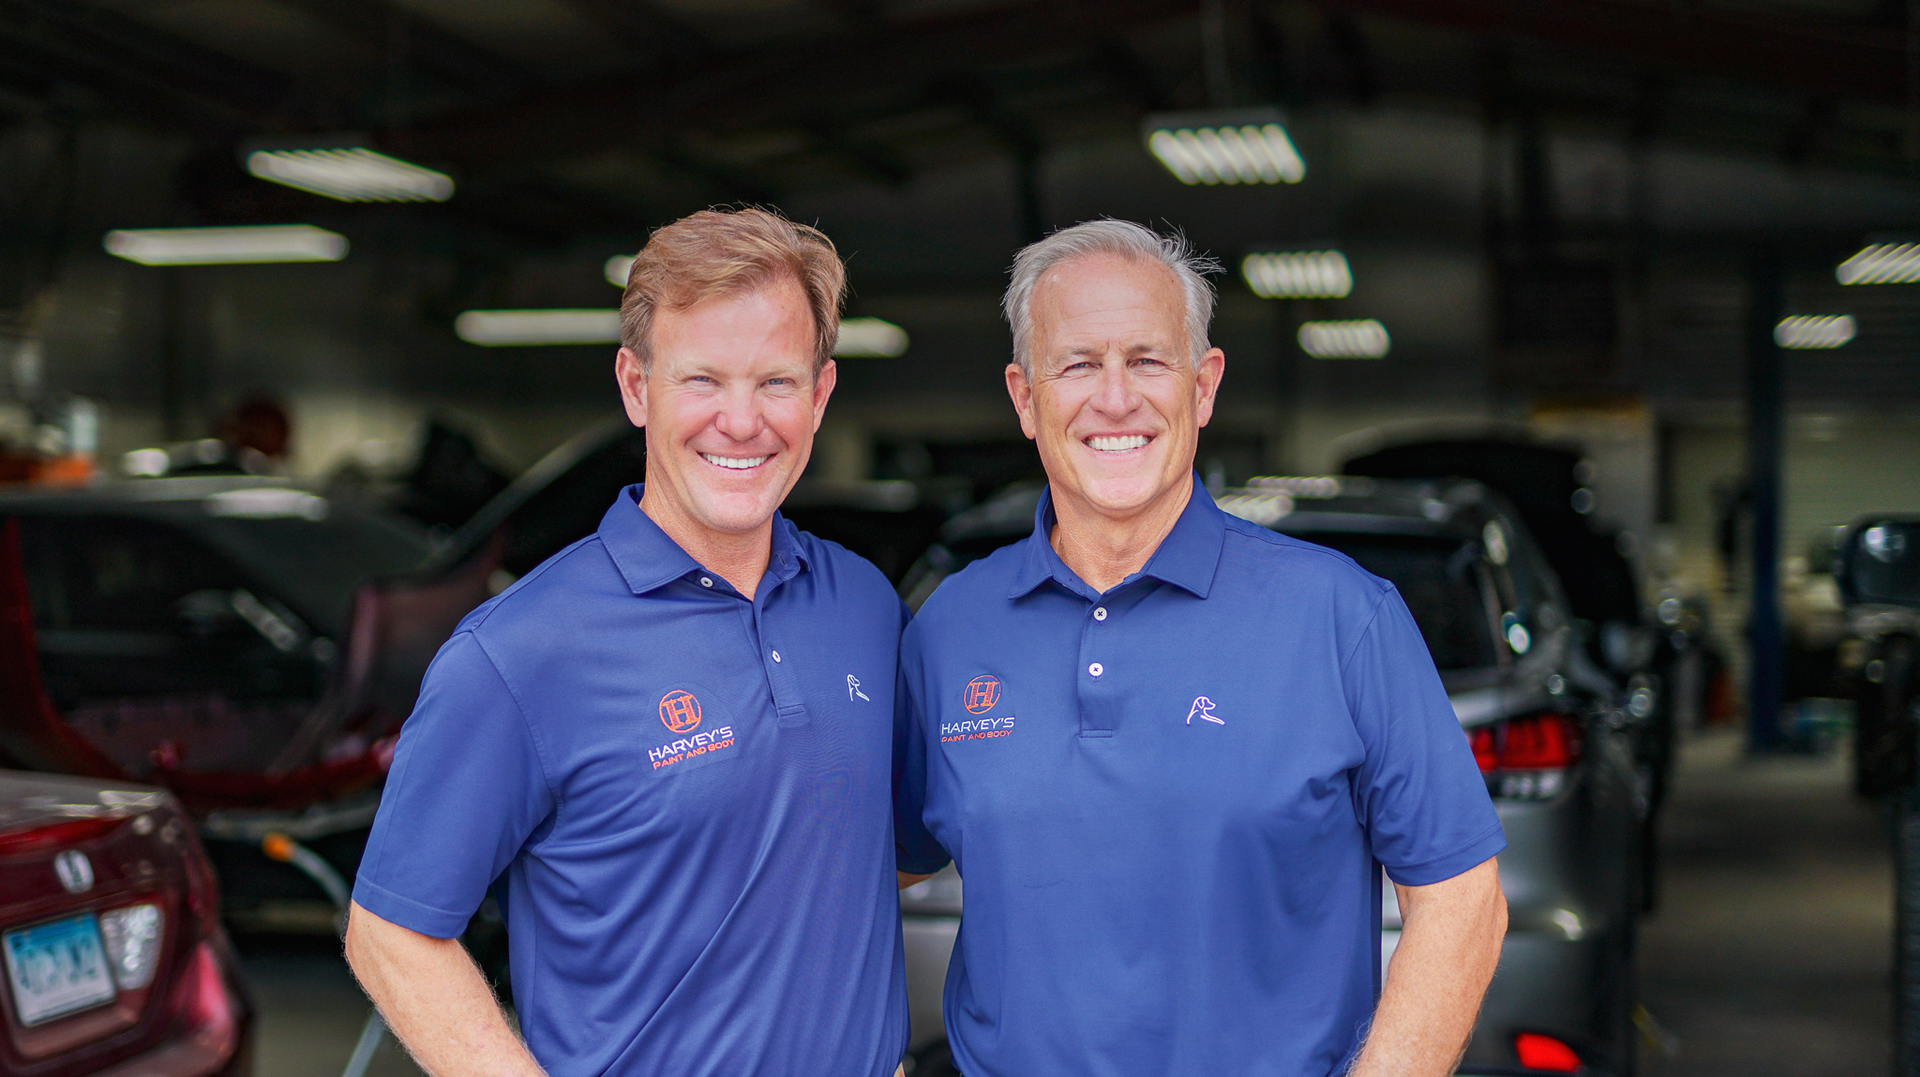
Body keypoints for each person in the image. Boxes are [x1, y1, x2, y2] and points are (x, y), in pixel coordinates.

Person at [894, 220, 1508, 1077]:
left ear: (1203, 384)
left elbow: (1460, 899)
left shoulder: (1341, 616)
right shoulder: (949, 629)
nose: (1115, 398)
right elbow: (864, 875)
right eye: (1076, 363)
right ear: (1025, 397)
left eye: (1147, 359)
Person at [346, 208, 911, 1077]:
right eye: (702, 380)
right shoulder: (521, 652)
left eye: (776, 382)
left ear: (822, 393)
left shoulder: (865, 606)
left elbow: (875, 855)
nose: (740, 420)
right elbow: (390, 933)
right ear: (636, 386)